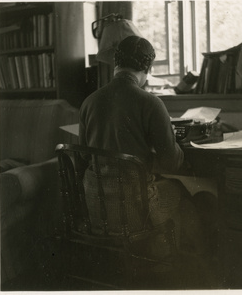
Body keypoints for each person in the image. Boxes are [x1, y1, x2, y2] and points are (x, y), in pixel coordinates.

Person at [79, 35, 207, 258]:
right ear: (147, 67)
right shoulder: (150, 102)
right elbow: (172, 163)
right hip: (133, 208)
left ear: (116, 63)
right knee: (184, 195)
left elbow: (82, 157)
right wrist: (174, 140)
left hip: (97, 206)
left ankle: (156, 257)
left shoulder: (89, 102)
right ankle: (182, 265)